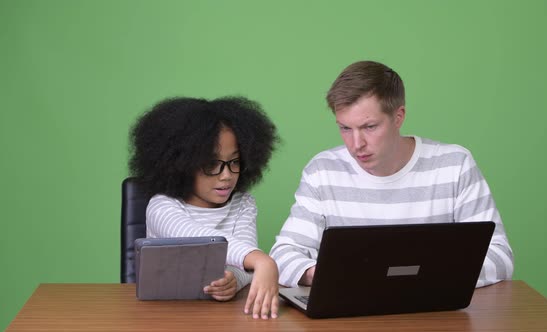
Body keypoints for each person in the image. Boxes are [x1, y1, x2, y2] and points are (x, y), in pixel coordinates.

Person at [269, 60, 514, 288]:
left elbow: (499, 256)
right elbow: (283, 255)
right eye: (345, 128)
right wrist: (322, 275)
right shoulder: (322, 171)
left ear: (399, 116)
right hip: (350, 313)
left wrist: (422, 277)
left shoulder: (454, 165)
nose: (356, 144)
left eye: (370, 127)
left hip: (433, 313)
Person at [129, 96, 280, 319]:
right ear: (181, 165)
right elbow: (196, 239)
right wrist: (261, 259)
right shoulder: (162, 205)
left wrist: (233, 280)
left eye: (235, 162)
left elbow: (245, 268)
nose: (227, 175)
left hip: (220, 318)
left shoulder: (243, 204)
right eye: (211, 164)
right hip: (162, 316)